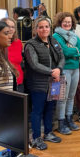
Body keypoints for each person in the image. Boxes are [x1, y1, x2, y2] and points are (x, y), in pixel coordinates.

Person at [24, 17, 65, 150]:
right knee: (37, 111)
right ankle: (36, 138)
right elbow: (34, 64)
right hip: (38, 84)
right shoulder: (30, 44)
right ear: (36, 29)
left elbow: (62, 57)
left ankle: (48, 133)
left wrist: (59, 69)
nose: (44, 29)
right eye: (40, 27)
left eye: (46, 26)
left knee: (50, 108)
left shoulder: (54, 41)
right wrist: (51, 72)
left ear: (50, 28)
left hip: (55, 82)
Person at [53, 12, 80, 135]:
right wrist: (76, 51)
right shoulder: (56, 36)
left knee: (71, 96)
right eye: (65, 22)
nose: (67, 24)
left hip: (75, 68)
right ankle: (61, 123)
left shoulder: (74, 35)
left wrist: (74, 51)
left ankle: (69, 119)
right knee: (62, 97)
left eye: (69, 22)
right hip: (64, 69)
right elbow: (64, 52)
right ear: (60, 22)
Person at [1, 18, 24, 91]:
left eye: (13, 27)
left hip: (19, 81)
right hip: (5, 81)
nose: (11, 29)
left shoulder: (18, 42)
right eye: (8, 26)